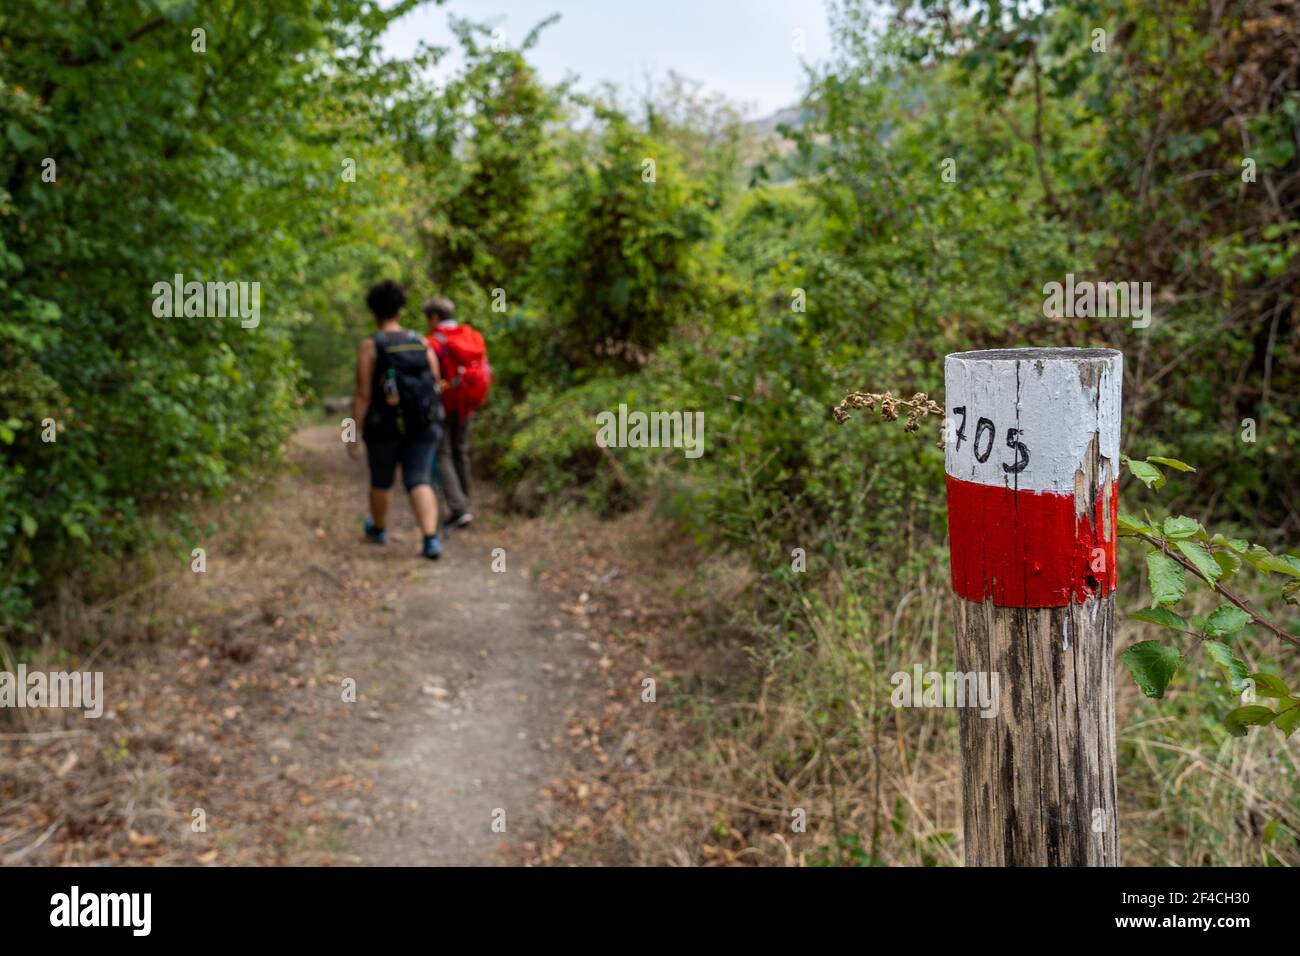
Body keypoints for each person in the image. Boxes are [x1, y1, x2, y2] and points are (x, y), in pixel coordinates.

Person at [349, 279, 445, 559]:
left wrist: (352, 432)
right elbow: (435, 383)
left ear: (374, 313)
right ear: (400, 311)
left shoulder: (370, 346)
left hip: (384, 426)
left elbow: (363, 394)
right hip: (423, 424)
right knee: (418, 478)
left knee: (381, 479)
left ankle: (378, 529)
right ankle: (430, 539)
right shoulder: (422, 342)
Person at [424, 296, 491, 529]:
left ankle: (458, 508)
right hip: (467, 404)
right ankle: (464, 503)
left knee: (443, 454)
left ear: (434, 317)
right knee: (461, 451)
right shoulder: (472, 336)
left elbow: (429, 377)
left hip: (443, 404)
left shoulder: (433, 341)